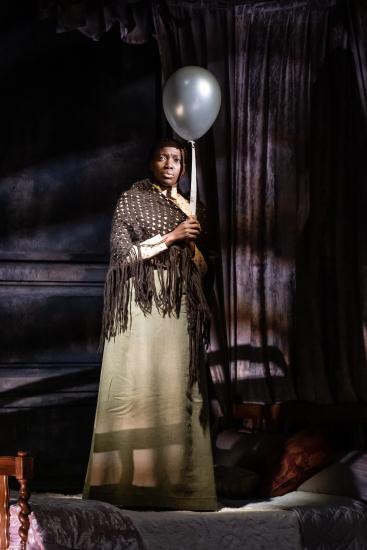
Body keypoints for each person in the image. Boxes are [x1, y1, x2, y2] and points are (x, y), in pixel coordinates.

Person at [83, 138, 217, 511]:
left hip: (180, 305)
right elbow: (123, 254)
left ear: (184, 167)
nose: (170, 164)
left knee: (177, 389)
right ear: (151, 163)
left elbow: (206, 268)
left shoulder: (194, 208)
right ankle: (125, 486)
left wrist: (191, 246)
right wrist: (172, 237)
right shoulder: (133, 200)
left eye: (177, 159)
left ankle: (181, 486)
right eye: (162, 157)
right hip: (142, 303)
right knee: (138, 386)